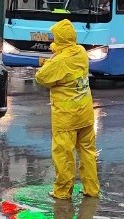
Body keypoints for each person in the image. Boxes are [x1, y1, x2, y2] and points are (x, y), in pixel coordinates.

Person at [34, 19, 100, 200]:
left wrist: (53, 56)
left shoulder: (60, 61)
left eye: (54, 37)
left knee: (63, 155)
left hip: (66, 117)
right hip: (85, 113)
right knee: (88, 152)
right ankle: (91, 189)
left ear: (60, 39)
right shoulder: (81, 52)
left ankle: (62, 192)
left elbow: (41, 77)